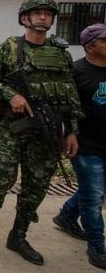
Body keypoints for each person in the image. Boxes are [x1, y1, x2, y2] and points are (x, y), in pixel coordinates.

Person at [0, 0, 82, 266]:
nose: (44, 17)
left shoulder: (61, 55)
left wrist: (71, 131)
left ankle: (19, 234)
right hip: (11, 129)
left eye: (49, 13)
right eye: (38, 12)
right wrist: (10, 94)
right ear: (25, 18)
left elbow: (70, 97)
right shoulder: (7, 49)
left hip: (45, 132)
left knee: (36, 187)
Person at [53, 23, 106, 269]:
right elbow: (66, 108)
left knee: (96, 190)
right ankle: (97, 245)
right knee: (93, 197)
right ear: (90, 46)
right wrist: (69, 134)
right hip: (86, 145)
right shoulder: (76, 72)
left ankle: (66, 216)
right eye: (104, 40)